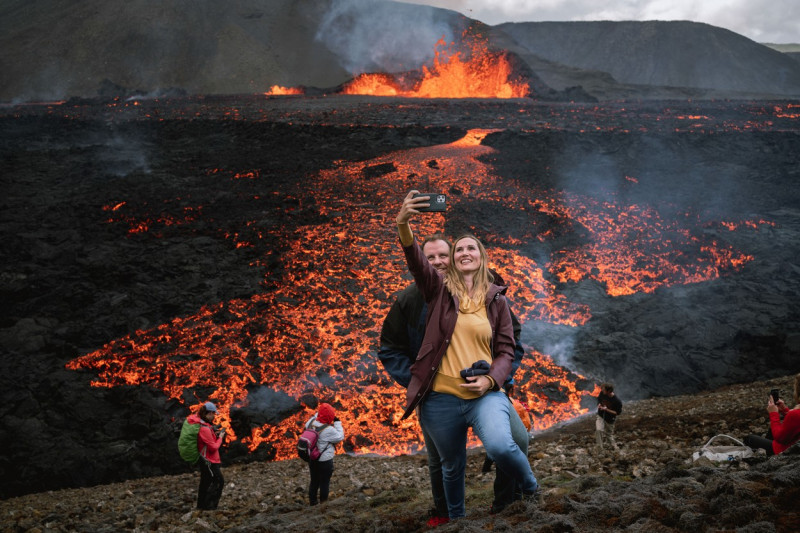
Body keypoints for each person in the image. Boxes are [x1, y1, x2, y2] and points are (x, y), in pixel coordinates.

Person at [393, 191, 540, 520]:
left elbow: (507, 349)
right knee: (450, 467)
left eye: (471, 247)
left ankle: (527, 489)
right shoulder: (439, 291)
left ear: (482, 256)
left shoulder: (497, 301)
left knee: (505, 445)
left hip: (482, 393)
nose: (464, 252)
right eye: (459, 249)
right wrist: (403, 222)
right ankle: (456, 522)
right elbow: (417, 260)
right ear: (453, 260)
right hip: (440, 398)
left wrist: (491, 379)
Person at [744, 374, 800, 456]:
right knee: (771, 430)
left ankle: (762, 458)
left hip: (784, 451)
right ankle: (763, 452)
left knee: (749, 439)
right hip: (793, 445)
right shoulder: (795, 414)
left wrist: (773, 413)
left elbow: (780, 438)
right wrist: (785, 410)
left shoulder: (795, 414)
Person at [304, 402, 345, 506]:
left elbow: (315, 417)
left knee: (314, 481)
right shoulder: (328, 430)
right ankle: (323, 505)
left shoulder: (309, 422)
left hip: (312, 458)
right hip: (325, 460)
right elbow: (340, 437)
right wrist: (337, 423)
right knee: (324, 483)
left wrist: (319, 414)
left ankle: (313, 503)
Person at [189, 401, 226, 510]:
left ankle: (201, 507)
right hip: (209, 461)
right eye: (213, 413)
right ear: (208, 413)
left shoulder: (205, 425)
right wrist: (221, 437)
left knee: (206, 482)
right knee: (218, 481)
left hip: (205, 459)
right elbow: (213, 447)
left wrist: (215, 435)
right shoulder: (204, 428)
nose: (214, 416)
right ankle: (209, 507)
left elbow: (208, 441)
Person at [596, 383, 622, 451]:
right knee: (599, 430)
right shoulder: (602, 393)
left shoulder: (617, 401)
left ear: (609, 391)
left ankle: (616, 449)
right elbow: (599, 399)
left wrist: (606, 409)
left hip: (610, 419)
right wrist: (599, 404)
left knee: (609, 435)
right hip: (600, 416)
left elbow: (617, 413)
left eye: (604, 390)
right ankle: (600, 449)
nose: (602, 390)